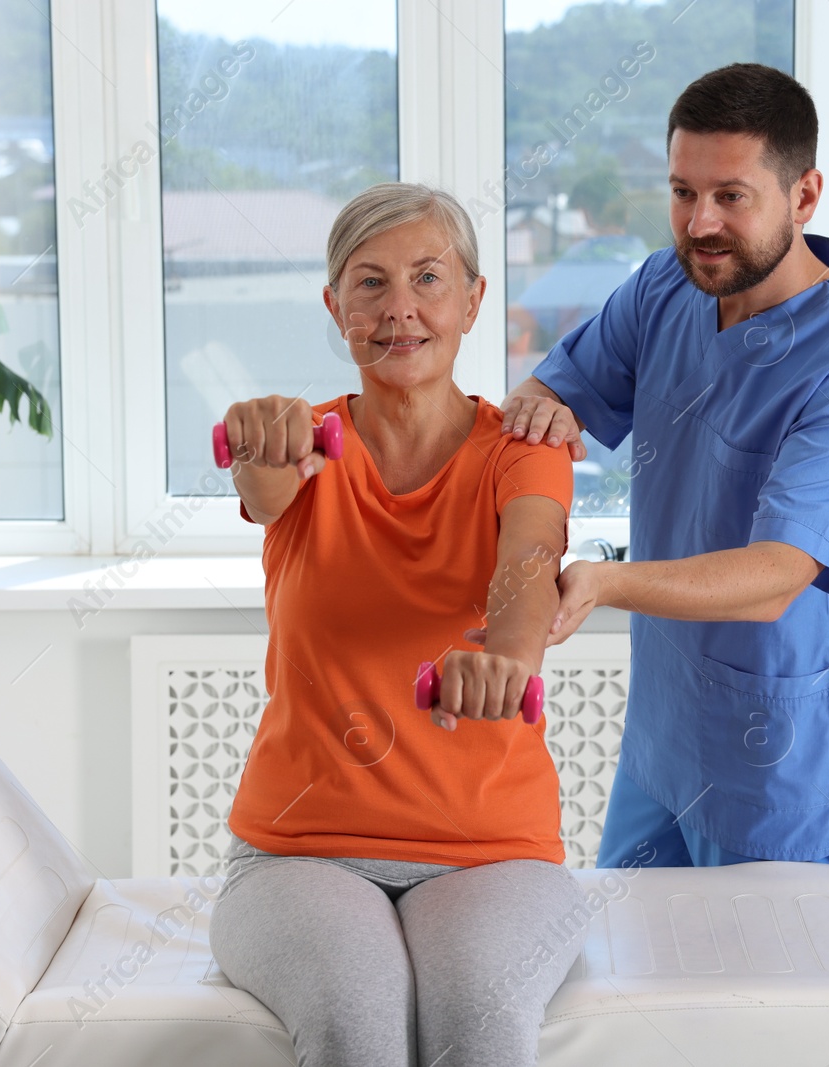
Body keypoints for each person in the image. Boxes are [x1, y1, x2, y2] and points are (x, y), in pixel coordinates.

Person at [499, 64, 829, 869]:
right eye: (681, 192)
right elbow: (547, 397)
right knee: (626, 976)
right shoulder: (669, 286)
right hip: (663, 735)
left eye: (731, 195)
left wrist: (603, 580)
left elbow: (774, 577)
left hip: (780, 763)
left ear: (804, 196)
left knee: (756, 991)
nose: (699, 224)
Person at [209, 182, 585, 1067]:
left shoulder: (523, 448)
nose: (400, 309)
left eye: (427, 277)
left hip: (495, 850)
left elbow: (529, 560)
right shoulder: (305, 444)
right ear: (335, 306)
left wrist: (506, 657)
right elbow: (266, 491)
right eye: (370, 284)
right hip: (302, 852)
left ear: (472, 301)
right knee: (355, 1026)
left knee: (483, 1021)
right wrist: (259, 450)